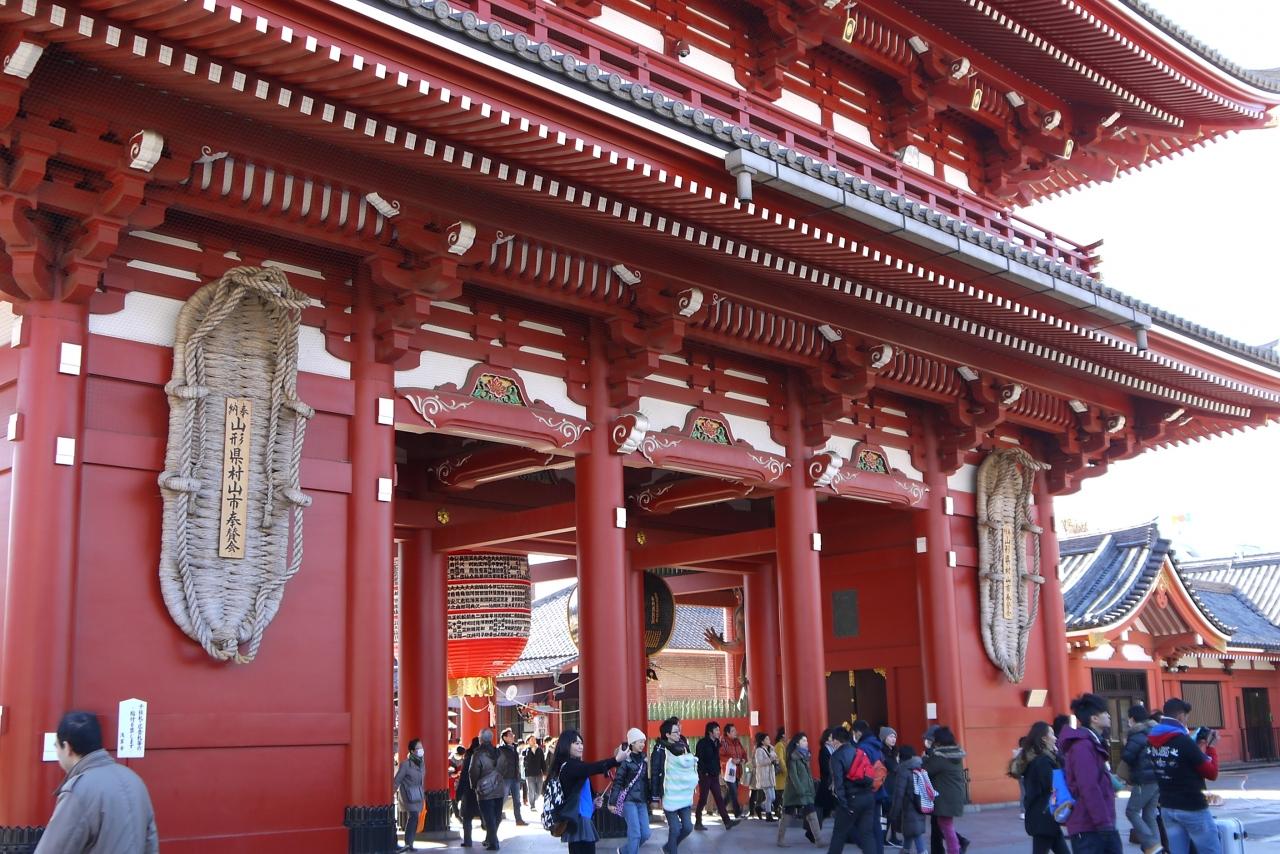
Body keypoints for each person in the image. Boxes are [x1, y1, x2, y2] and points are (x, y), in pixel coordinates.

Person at [33, 711, 159, 854]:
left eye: (56, 746)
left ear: (67, 748)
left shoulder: (78, 791)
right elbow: (151, 844)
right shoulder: (134, 780)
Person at [1149, 697, 1221, 854]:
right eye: (1187, 718)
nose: (1186, 722)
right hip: (1192, 806)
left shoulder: (1151, 740)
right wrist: (1211, 748)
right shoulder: (1183, 741)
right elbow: (1211, 772)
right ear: (1181, 716)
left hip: (1167, 806)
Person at [546, 729, 628, 854]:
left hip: (583, 818)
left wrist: (593, 802)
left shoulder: (575, 766)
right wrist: (616, 760)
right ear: (566, 745)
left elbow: (581, 792)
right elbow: (592, 768)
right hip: (578, 821)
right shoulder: (569, 766)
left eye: (581, 743)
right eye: (576, 743)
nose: (581, 747)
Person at [1059, 694, 1122, 854]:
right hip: (1089, 827)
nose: (1109, 716)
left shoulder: (1092, 743)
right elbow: (1088, 787)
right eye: (1105, 712)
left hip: (1097, 823)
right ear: (1094, 718)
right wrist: (1103, 823)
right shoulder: (1083, 747)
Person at [1017, 722, 1069, 854]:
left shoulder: (1040, 759)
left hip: (1044, 815)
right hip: (1044, 816)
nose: (1055, 738)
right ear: (1044, 738)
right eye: (1052, 734)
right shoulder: (1042, 761)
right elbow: (1052, 786)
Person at [826, 725, 878, 854]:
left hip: (851, 799)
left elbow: (838, 783)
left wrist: (843, 804)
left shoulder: (837, 756)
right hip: (868, 796)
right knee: (867, 834)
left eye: (832, 740)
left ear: (836, 741)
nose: (832, 742)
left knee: (839, 834)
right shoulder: (858, 751)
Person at [652, 717, 698, 854]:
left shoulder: (683, 745)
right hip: (669, 794)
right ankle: (672, 850)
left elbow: (688, 766)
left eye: (679, 731)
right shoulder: (660, 749)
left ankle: (668, 847)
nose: (679, 734)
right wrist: (654, 797)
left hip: (684, 794)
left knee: (688, 827)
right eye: (676, 732)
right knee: (675, 829)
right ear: (667, 734)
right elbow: (655, 773)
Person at [1120, 705, 1160, 854]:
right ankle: (1156, 847)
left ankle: (1151, 843)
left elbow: (1127, 756)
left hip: (1144, 779)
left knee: (1132, 811)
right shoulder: (1155, 731)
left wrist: (1125, 744)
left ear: (1132, 719)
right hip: (1157, 778)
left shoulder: (1137, 734)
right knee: (1149, 814)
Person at [922, 727, 966, 854]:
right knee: (945, 824)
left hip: (946, 797)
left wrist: (925, 758)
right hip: (954, 794)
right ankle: (955, 848)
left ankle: (954, 850)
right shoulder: (955, 754)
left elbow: (926, 769)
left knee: (946, 826)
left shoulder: (941, 757)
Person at [778, 731, 824, 848]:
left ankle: (819, 840)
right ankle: (780, 839)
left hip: (805, 791)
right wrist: (800, 790)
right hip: (794, 791)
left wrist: (810, 787)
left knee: (812, 814)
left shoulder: (805, 756)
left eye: (806, 740)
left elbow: (807, 774)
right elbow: (793, 775)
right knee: (787, 815)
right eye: (803, 740)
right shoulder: (793, 757)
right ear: (797, 743)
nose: (806, 742)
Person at [613, 727, 652, 854]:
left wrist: (651, 798)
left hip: (642, 801)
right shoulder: (626, 761)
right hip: (628, 801)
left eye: (643, 742)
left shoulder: (644, 760)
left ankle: (624, 851)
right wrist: (612, 802)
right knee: (635, 834)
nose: (643, 744)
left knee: (646, 833)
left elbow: (646, 781)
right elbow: (618, 781)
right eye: (640, 741)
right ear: (632, 743)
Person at [694, 720, 738, 830]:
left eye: (719, 730)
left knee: (719, 798)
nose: (719, 732)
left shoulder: (718, 743)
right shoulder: (702, 743)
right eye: (716, 730)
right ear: (710, 732)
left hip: (714, 775)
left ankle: (727, 822)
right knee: (703, 799)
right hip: (705, 775)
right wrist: (703, 772)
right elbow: (699, 759)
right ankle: (698, 821)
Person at [852, 721, 887, 854]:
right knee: (875, 824)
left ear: (858, 732)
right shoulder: (877, 746)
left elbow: (859, 770)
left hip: (867, 790)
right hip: (878, 789)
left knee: (862, 826)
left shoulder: (862, 748)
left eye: (854, 733)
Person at [887, 744, 928, 854]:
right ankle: (905, 851)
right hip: (919, 806)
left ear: (901, 756)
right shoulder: (919, 767)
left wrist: (893, 814)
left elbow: (899, 795)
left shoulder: (903, 771)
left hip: (909, 809)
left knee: (915, 834)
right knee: (910, 833)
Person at [471, 728, 506, 850]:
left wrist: (474, 785)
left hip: (484, 789)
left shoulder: (478, 754)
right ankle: (492, 839)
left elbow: (473, 772)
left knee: (488, 817)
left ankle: (493, 842)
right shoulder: (500, 753)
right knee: (496, 816)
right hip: (499, 787)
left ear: (480, 739)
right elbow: (504, 768)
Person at [394, 737, 427, 852]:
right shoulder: (405, 765)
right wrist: (392, 793)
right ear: (412, 751)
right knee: (413, 817)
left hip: (418, 794)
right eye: (418, 748)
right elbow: (397, 780)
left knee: (415, 818)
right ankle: (409, 843)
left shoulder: (421, 764)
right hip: (408, 795)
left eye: (421, 747)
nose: (421, 750)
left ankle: (410, 842)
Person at [498, 728, 527, 826]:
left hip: (515, 777)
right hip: (505, 777)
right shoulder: (500, 749)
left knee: (517, 800)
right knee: (503, 798)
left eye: (513, 735)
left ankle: (518, 819)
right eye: (510, 735)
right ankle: (496, 816)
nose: (513, 736)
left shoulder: (515, 747)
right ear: (504, 737)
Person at [721, 722, 749, 819]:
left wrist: (744, 759)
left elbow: (743, 753)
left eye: (735, 730)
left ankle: (721, 808)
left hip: (738, 770)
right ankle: (737, 813)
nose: (735, 732)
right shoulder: (723, 742)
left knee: (731, 792)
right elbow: (720, 756)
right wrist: (731, 760)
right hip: (728, 771)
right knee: (733, 792)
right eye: (733, 731)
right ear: (728, 733)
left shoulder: (737, 741)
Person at [880, 728, 902, 848]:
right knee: (887, 812)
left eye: (894, 736)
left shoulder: (893, 751)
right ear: (884, 738)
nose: (893, 739)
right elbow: (893, 767)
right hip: (886, 784)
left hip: (893, 783)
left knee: (892, 811)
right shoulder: (883, 751)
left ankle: (892, 836)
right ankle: (884, 837)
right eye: (890, 736)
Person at [459, 737, 481, 847]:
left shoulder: (468, 757)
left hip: (469, 790)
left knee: (467, 817)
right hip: (483, 790)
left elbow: (463, 776)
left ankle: (467, 840)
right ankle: (491, 839)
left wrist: (459, 792)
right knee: (486, 815)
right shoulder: (486, 756)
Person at [753, 731, 779, 822]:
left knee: (773, 797)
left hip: (770, 776)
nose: (769, 740)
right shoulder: (759, 750)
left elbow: (775, 759)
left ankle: (760, 807)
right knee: (769, 796)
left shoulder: (769, 749)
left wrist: (773, 754)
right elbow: (760, 762)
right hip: (764, 776)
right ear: (762, 741)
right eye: (767, 739)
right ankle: (768, 814)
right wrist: (770, 759)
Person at [817, 728, 838, 826]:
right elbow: (825, 767)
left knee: (829, 808)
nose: (832, 739)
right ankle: (814, 828)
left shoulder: (834, 749)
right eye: (831, 737)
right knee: (826, 808)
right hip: (827, 782)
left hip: (833, 781)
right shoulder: (824, 750)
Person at [525, 735, 548, 810]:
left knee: (539, 791)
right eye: (532, 740)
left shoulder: (539, 750)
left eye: (534, 739)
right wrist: (531, 750)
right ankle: (532, 805)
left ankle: (533, 800)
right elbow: (526, 761)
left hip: (539, 773)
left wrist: (544, 772)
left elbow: (543, 762)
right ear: (528, 741)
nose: (534, 741)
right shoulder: (526, 750)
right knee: (531, 790)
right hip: (529, 774)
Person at [775, 727, 790, 820]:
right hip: (781, 775)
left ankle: (779, 811)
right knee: (780, 795)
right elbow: (780, 759)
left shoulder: (781, 745)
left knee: (780, 795)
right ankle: (779, 812)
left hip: (782, 776)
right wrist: (785, 770)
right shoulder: (780, 745)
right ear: (783, 735)